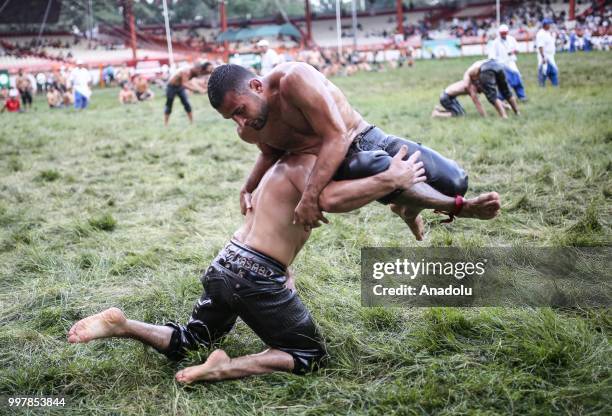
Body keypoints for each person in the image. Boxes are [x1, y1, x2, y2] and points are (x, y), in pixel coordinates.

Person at [67, 146, 428, 382]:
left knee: (194, 338)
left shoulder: (279, 165)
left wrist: (286, 268)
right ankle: (222, 369)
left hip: (225, 262)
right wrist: (393, 179)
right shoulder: (309, 169)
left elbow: (278, 223)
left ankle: (123, 325)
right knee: (310, 355)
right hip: (254, 276)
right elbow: (334, 200)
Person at [207, 63, 501, 240]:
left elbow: (336, 135)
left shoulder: (294, 79)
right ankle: (459, 206)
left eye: (240, 111)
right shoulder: (249, 129)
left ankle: (408, 206)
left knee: (455, 180)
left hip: (365, 137)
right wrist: (247, 188)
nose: (240, 123)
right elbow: (269, 153)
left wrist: (309, 199)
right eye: (231, 118)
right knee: (376, 166)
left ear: (257, 86)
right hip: (337, 167)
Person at [432, 59, 520, 119]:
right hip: (446, 97)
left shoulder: (476, 79)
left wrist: (505, 106)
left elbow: (488, 93)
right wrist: (485, 117)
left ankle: (439, 110)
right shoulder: (471, 87)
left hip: (449, 97)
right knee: (459, 114)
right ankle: (437, 114)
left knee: (460, 112)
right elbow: (478, 103)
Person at [164, 61, 214, 126]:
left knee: (187, 104)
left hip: (179, 87)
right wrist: (198, 90)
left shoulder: (194, 73)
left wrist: (201, 88)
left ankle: (191, 122)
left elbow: (193, 82)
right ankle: (166, 124)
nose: (199, 72)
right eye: (198, 69)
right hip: (171, 87)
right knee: (169, 105)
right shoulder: (186, 71)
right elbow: (184, 84)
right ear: (195, 68)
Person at [488, 24, 526, 101]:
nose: (504, 34)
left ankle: (521, 96)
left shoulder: (512, 39)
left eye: (505, 33)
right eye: (502, 33)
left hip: (511, 62)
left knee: (517, 78)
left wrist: (513, 51)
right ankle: (501, 98)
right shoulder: (495, 42)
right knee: (504, 82)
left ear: (507, 32)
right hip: (501, 65)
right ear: (499, 33)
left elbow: (517, 49)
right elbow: (491, 56)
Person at [536, 18, 559, 87]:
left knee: (553, 70)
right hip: (544, 55)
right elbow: (540, 46)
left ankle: (555, 85)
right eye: (549, 24)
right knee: (543, 71)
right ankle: (541, 86)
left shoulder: (548, 32)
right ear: (545, 25)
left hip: (550, 55)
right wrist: (543, 57)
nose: (551, 25)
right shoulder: (541, 34)